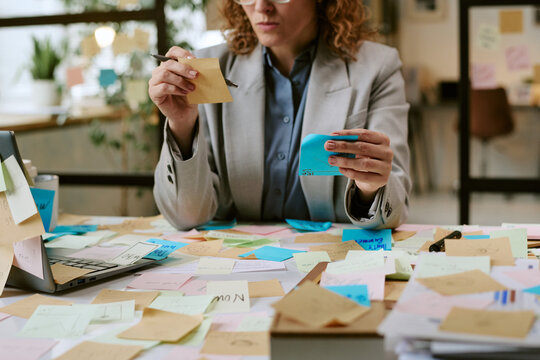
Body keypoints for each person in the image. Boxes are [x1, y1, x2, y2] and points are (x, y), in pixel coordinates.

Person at [150, 0, 411, 230]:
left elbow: (394, 206)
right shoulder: (207, 70)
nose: (262, 6)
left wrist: (369, 187)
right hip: (239, 268)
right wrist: (181, 124)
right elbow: (186, 217)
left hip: (334, 261)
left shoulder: (378, 67)